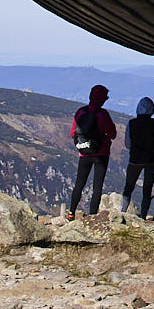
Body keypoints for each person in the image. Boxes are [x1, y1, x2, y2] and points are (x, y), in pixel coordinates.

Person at [65, 84, 116, 217]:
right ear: (102, 99)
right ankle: (92, 215)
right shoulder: (103, 114)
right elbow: (112, 134)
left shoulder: (80, 112)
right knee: (97, 187)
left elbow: (72, 133)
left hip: (84, 153)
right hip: (101, 154)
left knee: (79, 183)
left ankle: (71, 212)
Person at [122, 96, 154, 220]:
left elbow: (127, 144)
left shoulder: (132, 123)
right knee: (147, 189)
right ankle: (143, 216)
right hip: (152, 160)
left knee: (129, 187)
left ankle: (123, 212)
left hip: (135, 160)